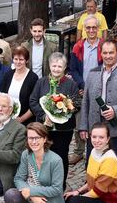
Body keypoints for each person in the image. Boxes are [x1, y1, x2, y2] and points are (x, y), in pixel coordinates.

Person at [3, 122, 65, 203]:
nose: (34, 142)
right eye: (31, 138)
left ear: (44, 139)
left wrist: (31, 191)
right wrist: (32, 197)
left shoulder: (56, 160)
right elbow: (19, 178)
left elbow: (57, 189)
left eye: (37, 138)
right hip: (33, 200)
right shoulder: (26, 154)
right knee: (10, 194)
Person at [79, 40, 117, 158]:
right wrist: (83, 127)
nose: (108, 56)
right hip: (94, 126)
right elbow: (85, 102)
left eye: (111, 53)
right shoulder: (92, 73)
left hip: (115, 128)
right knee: (91, 164)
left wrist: (115, 111)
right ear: (101, 54)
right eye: (105, 53)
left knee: (110, 164)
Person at [30, 52, 80, 190]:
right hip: (44, 128)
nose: (56, 69)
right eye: (54, 66)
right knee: (43, 155)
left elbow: (76, 103)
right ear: (49, 66)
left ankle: (60, 185)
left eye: (60, 66)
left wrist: (64, 112)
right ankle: (43, 183)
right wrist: (43, 116)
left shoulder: (71, 84)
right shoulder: (41, 82)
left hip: (63, 130)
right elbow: (33, 100)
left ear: (64, 67)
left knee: (60, 156)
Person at [68, 15, 105, 166]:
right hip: (81, 90)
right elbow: (73, 70)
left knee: (99, 120)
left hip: (100, 90)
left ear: (98, 29)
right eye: (88, 27)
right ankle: (78, 151)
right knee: (79, 121)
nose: (91, 30)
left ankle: (99, 151)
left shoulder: (104, 46)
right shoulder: (78, 47)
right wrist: (83, 86)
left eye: (94, 27)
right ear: (84, 29)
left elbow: (107, 67)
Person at [0, 46, 38, 125]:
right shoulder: (8, 75)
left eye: (21, 59)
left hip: (25, 121)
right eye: (16, 59)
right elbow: (1, 96)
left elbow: (34, 103)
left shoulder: (33, 78)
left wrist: (21, 119)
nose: (18, 62)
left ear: (26, 61)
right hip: (6, 119)